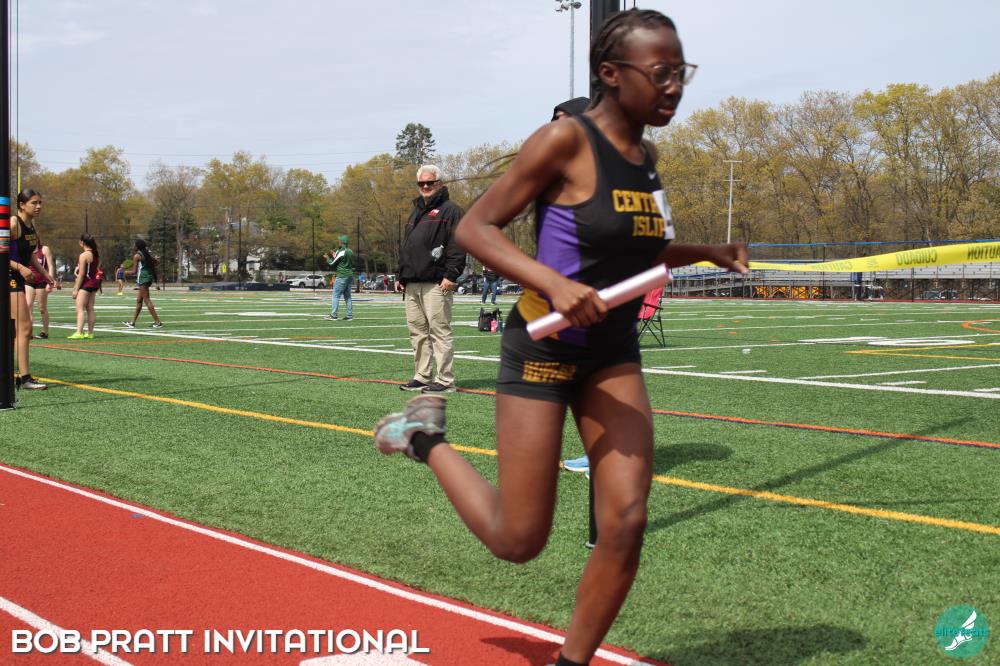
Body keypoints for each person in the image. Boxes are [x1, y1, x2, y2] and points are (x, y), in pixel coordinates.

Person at [374, 10, 747, 665]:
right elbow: (476, 228)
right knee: (518, 540)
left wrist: (708, 252)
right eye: (661, 73)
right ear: (612, 73)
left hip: (611, 353)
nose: (674, 87)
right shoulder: (564, 140)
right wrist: (555, 283)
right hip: (543, 349)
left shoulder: (647, 158)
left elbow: (639, 249)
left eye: (680, 73)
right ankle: (423, 437)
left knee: (625, 521)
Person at [394, 164, 466, 393]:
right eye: (421, 183)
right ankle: (422, 376)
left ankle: (445, 380)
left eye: (430, 182)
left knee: (439, 331)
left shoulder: (451, 211)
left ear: (440, 183)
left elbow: (458, 244)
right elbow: (408, 247)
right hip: (412, 282)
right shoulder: (416, 211)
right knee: (417, 332)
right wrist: (401, 275)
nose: (425, 186)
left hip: (436, 282)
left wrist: (452, 274)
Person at [8, 189, 53, 389]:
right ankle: (25, 378)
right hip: (9, 278)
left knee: (19, 329)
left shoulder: (31, 227)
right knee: (24, 327)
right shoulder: (13, 223)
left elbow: (31, 255)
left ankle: (22, 376)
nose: (39, 206)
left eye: (40, 202)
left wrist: (45, 274)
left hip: (19, 277)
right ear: (21, 205)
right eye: (34, 203)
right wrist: (19, 267)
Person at [121, 239, 163, 329]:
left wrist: (125, 272)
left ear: (137, 246)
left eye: (135, 245)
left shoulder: (137, 256)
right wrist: (157, 260)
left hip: (143, 279)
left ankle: (158, 322)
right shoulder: (146, 254)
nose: (133, 246)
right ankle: (132, 322)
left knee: (147, 300)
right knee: (139, 300)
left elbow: (134, 271)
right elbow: (156, 263)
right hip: (147, 278)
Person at [69, 234, 102, 340]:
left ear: (82, 242)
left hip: (86, 284)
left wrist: (75, 289)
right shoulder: (95, 254)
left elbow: (82, 274)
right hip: (94, 283)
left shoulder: (84, 255)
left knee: (79, 308)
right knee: (90, 308)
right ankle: (90, 333)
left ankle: (79, 332)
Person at [322, 234, 355, 321]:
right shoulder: (350, 251)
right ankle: (349, 316)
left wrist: (327, 258)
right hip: (350, 276)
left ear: (341, 242)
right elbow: (343, 261)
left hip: (342, 276)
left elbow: (332, 263)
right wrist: (334, 255)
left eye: (339, 240)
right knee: (348, 296)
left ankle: (333, 315)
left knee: (336, 295)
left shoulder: (341, 252)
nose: (338, 241)